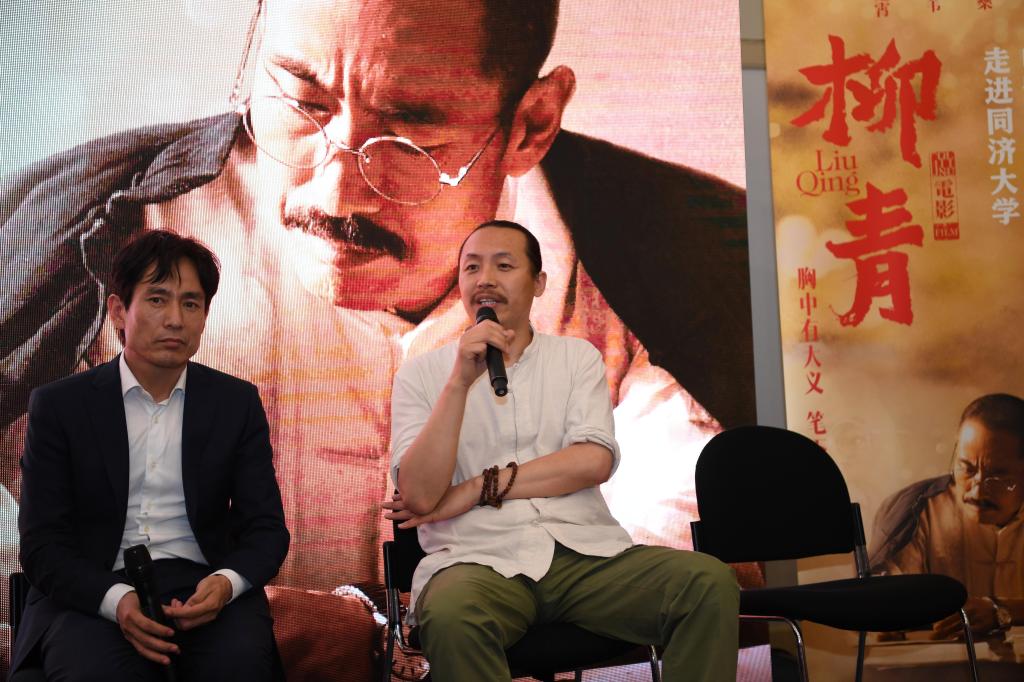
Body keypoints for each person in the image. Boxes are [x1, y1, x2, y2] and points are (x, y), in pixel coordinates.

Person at [0, 0, 751, 596]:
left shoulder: (690, 256)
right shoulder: (70, 245)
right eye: (301, 100)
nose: (335, 192)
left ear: (531, 123)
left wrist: (385, 639)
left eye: (412, 130)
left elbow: (687, 556)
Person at [385, 220, 740, 681]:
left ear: (538, 283)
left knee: (707, 582)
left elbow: (593, 460)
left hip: (586, 557)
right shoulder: (421, 375)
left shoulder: (576, 358)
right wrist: (459, 382)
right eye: (471, 268)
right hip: (476, 561)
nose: (485, 279)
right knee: (452, 614)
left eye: (503, 266)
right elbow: (418, 496)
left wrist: (478, 487)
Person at [11, 231, 290, 679]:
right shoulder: (60, 406)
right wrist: (115, 600)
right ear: (119, 310)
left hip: (204, 584)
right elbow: (42, 544)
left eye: (191, 304)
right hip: (94, 588)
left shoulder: (235, 403)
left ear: (205, 316)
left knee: (239, 666)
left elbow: (267, 530)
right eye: (158, 300)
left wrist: (225, 583)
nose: (175, 320)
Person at [870, 393, 1024, 638]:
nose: (977, 490)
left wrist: (1004, 611)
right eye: (967, 468)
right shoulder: (914, 511)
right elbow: (878, 603)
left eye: (998, 475)